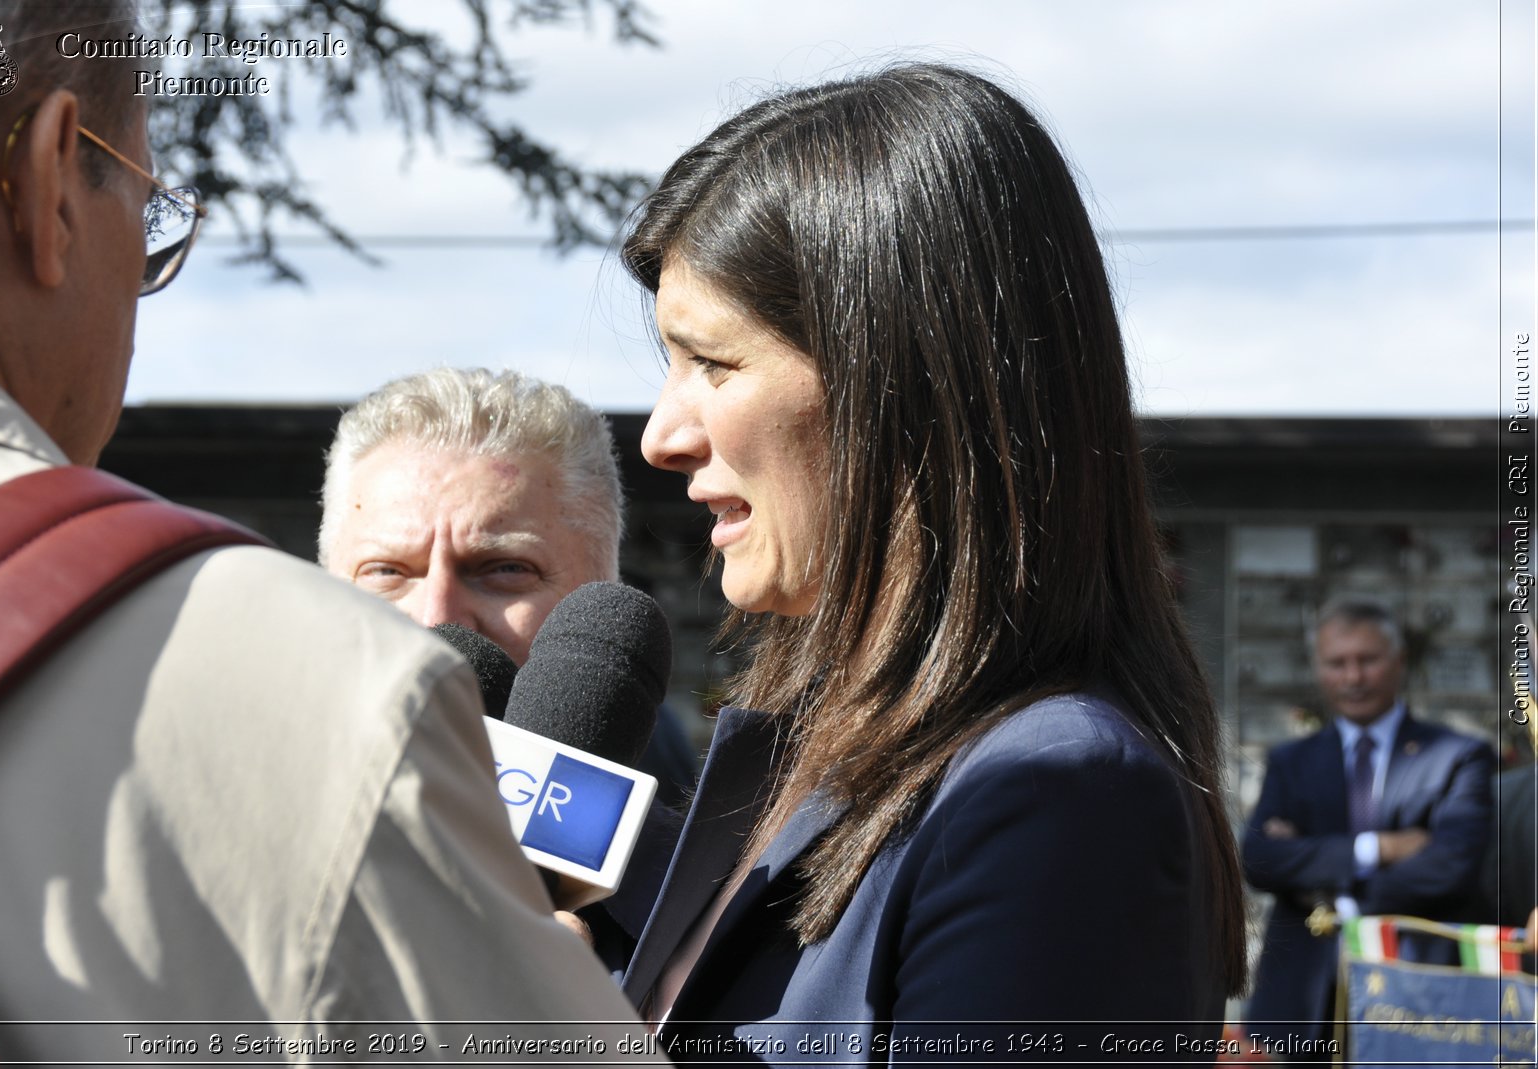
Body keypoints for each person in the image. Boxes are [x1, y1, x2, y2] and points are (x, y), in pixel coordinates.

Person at [0, 1, 656, 1060]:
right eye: (150, 214)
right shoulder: (330, 696)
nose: (437, 617)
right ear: (48, 184)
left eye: (502, 566)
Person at [614, 63, 1247, 1062]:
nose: (661, 435)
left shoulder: (1056, 791)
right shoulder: (815, 751)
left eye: (714, 363)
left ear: (893, 388)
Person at [318, 366, 697, 805]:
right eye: (386, 573)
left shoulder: (663, 810)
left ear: (602, 595)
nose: (436, 619)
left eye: (505, 570)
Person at [1242, 596, 1495, 1054]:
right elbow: (1261, 860)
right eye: (1337, 663)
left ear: (1399, 662)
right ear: (1318, 669)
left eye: (1367, 660)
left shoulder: (1458, 757)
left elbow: (1451, 864)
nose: (1353, 677)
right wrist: (1378, 850)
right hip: (1303, 1001)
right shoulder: (1290, 761)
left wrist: (1321, 877)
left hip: (1416, 994)